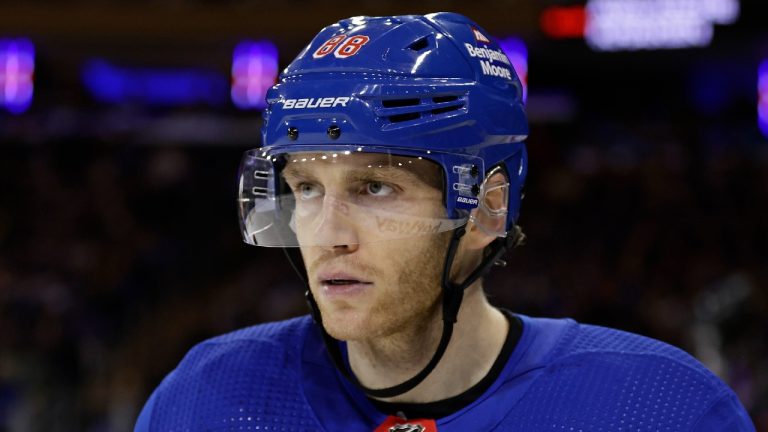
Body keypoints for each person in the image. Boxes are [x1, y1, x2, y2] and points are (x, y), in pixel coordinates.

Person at [134, 12, 755, 431]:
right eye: (305, 188)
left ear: (487, 205)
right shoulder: (205, 398)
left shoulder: (662, 408)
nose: (327, 232)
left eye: (376, 188)